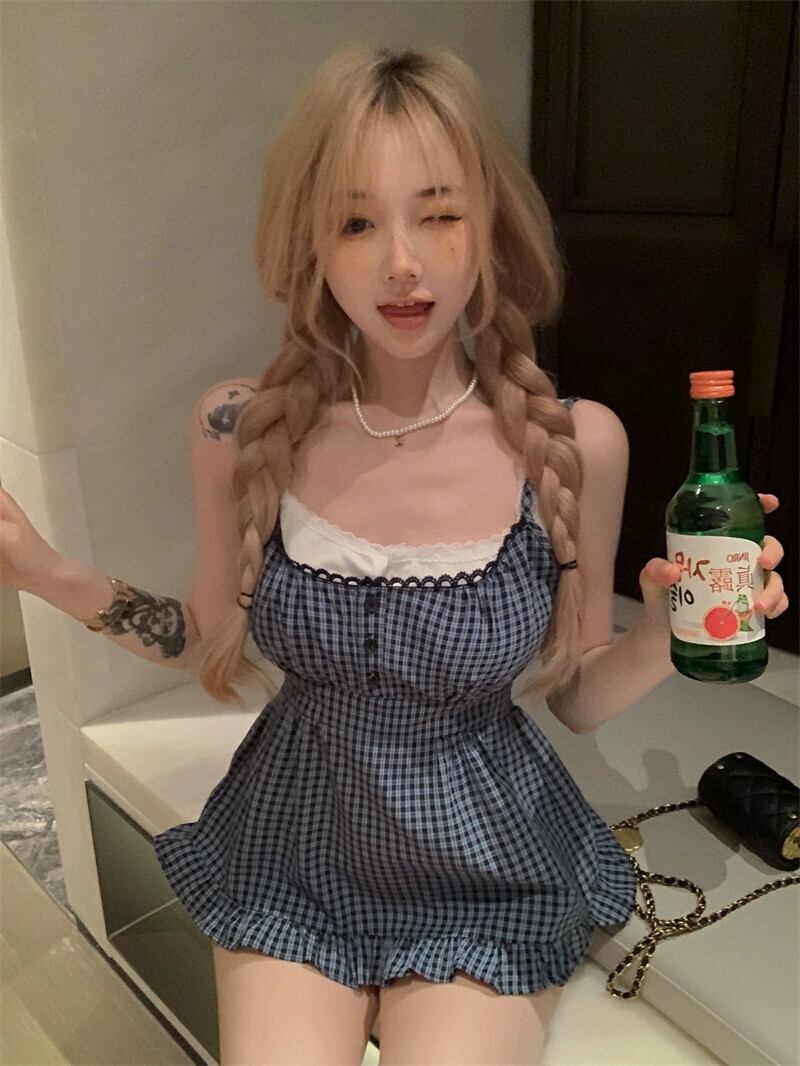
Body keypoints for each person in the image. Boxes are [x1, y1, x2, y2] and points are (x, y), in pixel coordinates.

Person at [0, 42, 789, 1066]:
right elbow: (208, 638)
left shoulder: (571, 442)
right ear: (311, 245)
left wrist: (670, 630)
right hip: (293, 841)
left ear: (491, 227)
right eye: (357, 222)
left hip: (487, 860)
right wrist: (42, 569)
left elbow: (575, 695)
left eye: (438, 214)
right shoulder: (241, 427)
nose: (402, 263)